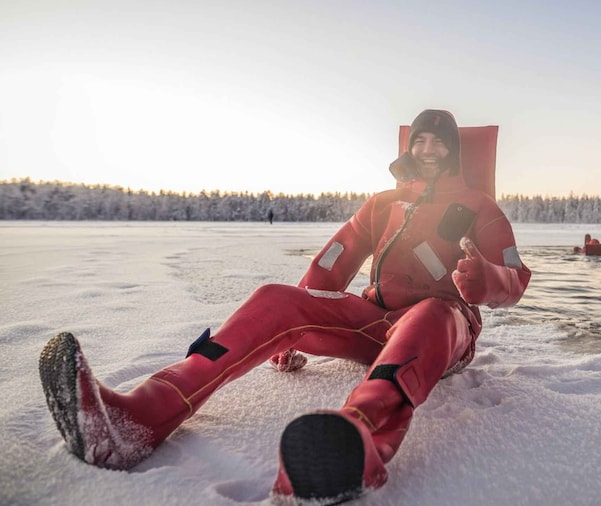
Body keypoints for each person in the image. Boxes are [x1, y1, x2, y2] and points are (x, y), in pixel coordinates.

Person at [38, 109, 532, 504]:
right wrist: (292, 326)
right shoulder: (383, 203)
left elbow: (516, 276)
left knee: (428, 315)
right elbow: (333, 262)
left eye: (439, 141)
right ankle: (137, 419)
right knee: (276, 299)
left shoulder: (477, 205)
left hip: (445, 327)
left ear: (453, 150)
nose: (428, 150)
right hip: (374, 319)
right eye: (420, 141)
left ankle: (357, 438)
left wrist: (487, 279)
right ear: (408, 147)